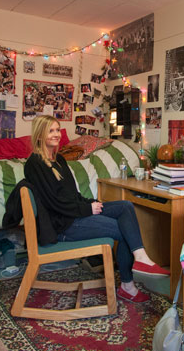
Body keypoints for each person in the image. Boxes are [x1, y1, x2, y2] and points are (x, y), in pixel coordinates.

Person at [22, 116, 168, 302]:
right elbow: (55, 203)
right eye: (51, 131)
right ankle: (127, 286)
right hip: (63, 224)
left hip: (73, 214)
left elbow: (72, 195)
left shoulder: (58, 159)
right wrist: (87, 209)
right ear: (40, 135)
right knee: (124, 230)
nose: (57, 134)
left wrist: (92, 203)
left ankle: (140, 257)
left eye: (58, 130)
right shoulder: (35, 164)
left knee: (125, 206)